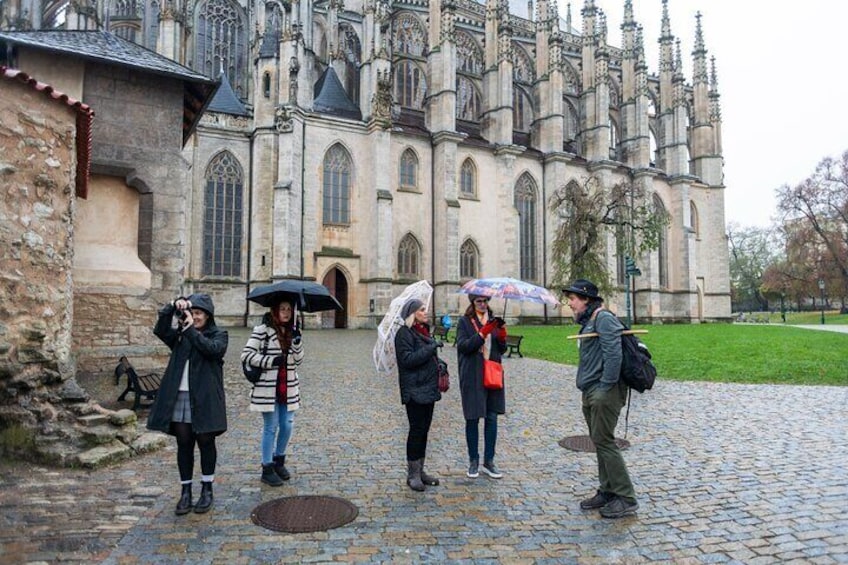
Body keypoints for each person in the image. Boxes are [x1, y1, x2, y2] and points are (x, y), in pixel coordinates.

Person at [564, 279, 638, 519]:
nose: (570, 303)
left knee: (605, 441)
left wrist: (605, 388)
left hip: (604, 391)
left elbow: (614, 355)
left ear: (586, 299)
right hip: (591, 389)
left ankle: (626, 497)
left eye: (573, 299)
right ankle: (608, 490)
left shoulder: (603, 318)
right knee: (599, 441)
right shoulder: (589, 321)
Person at [148, 293, 228, 516]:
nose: (195, 317)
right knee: (184, 442)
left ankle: (207, 488)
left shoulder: (219, 334)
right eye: (192, 313)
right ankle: (185, 491)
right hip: (180, 395)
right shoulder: (180, 336)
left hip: (205, 397)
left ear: (208, 316)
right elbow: (160, 330)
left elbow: (211, 350)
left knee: (205, 440)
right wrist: (172, 307)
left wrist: (191, 329)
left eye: (199, 313)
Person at [241, 299, 304, 486]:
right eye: (282, 309)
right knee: (271, 426)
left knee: (287, 425)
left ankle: (279, 461)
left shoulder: (293, 332)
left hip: (288, 386)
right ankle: (267, 468)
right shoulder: (262, 330)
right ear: (275, 310)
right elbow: (246, 355)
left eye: (289, 309)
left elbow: (299, 361)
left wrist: (297, 343)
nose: (286, 312)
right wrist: (270, 361)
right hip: (268, 387)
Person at [455, 294, 507, 479]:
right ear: (473, 303)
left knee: (492, 418)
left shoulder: (494, 321)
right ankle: (473, 460)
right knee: (473, 418)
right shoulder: (465, 322)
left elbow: (501, 350)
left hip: (492, 374)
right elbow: (463, 346)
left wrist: (501, 336)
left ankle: (489, 461)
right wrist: (482, 333)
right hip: (473, 376)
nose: (483, 304)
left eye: (485, 301)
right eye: (479, 301)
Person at [394, 298, 443, 491]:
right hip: (414, 390)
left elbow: (426, 357)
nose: (426, 312)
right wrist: (430, 349)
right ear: (412, 313)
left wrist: (439, 363)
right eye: (422, 310)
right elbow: (407, 360)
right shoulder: (403, 334)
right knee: (416, 430)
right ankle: (412, 474)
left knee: (424, 430)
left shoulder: (423, 331)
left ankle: (420, 470)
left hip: (428, 388)